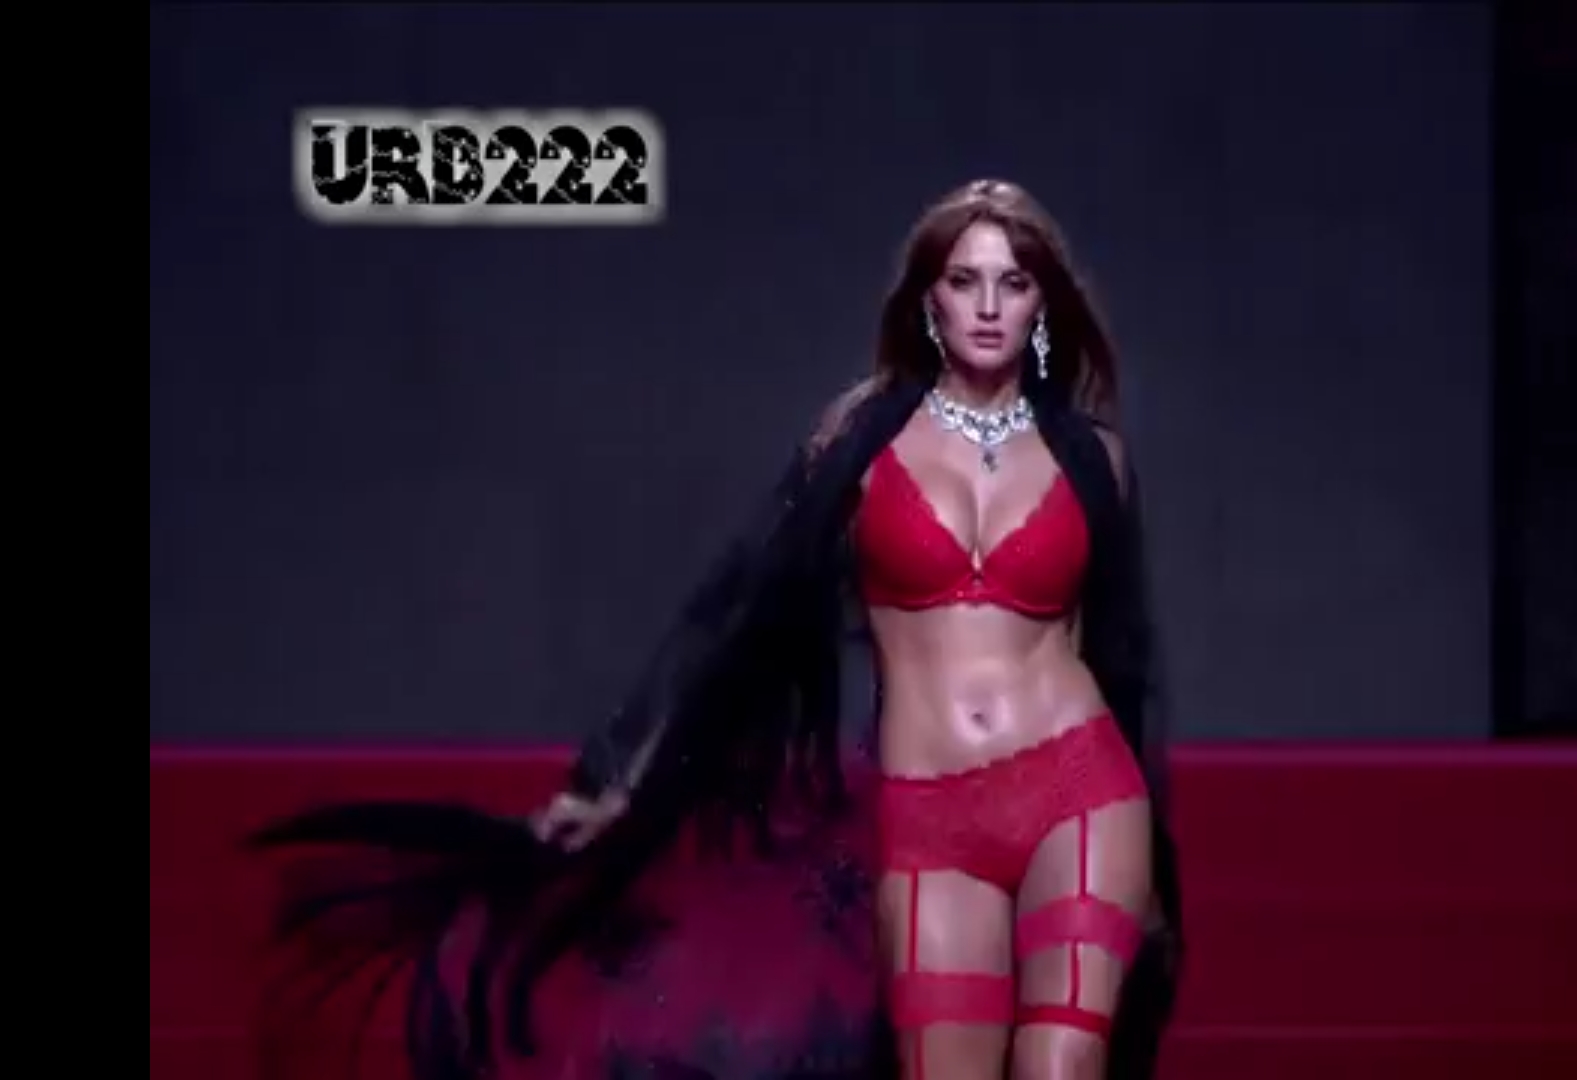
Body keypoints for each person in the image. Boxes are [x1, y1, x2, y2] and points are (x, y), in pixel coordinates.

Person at [249, 179, 1185, 1080]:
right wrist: (614, 773)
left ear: (1041, 304)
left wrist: (1156, 868)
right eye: (964, 279)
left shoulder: (1092, 457)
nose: (987, 305)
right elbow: (735, 599)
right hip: (931, 813)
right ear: (928, 299)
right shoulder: (858, 435)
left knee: (1064, 1064)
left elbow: (1122, 657)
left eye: (1012, 283)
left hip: (1078, 789)